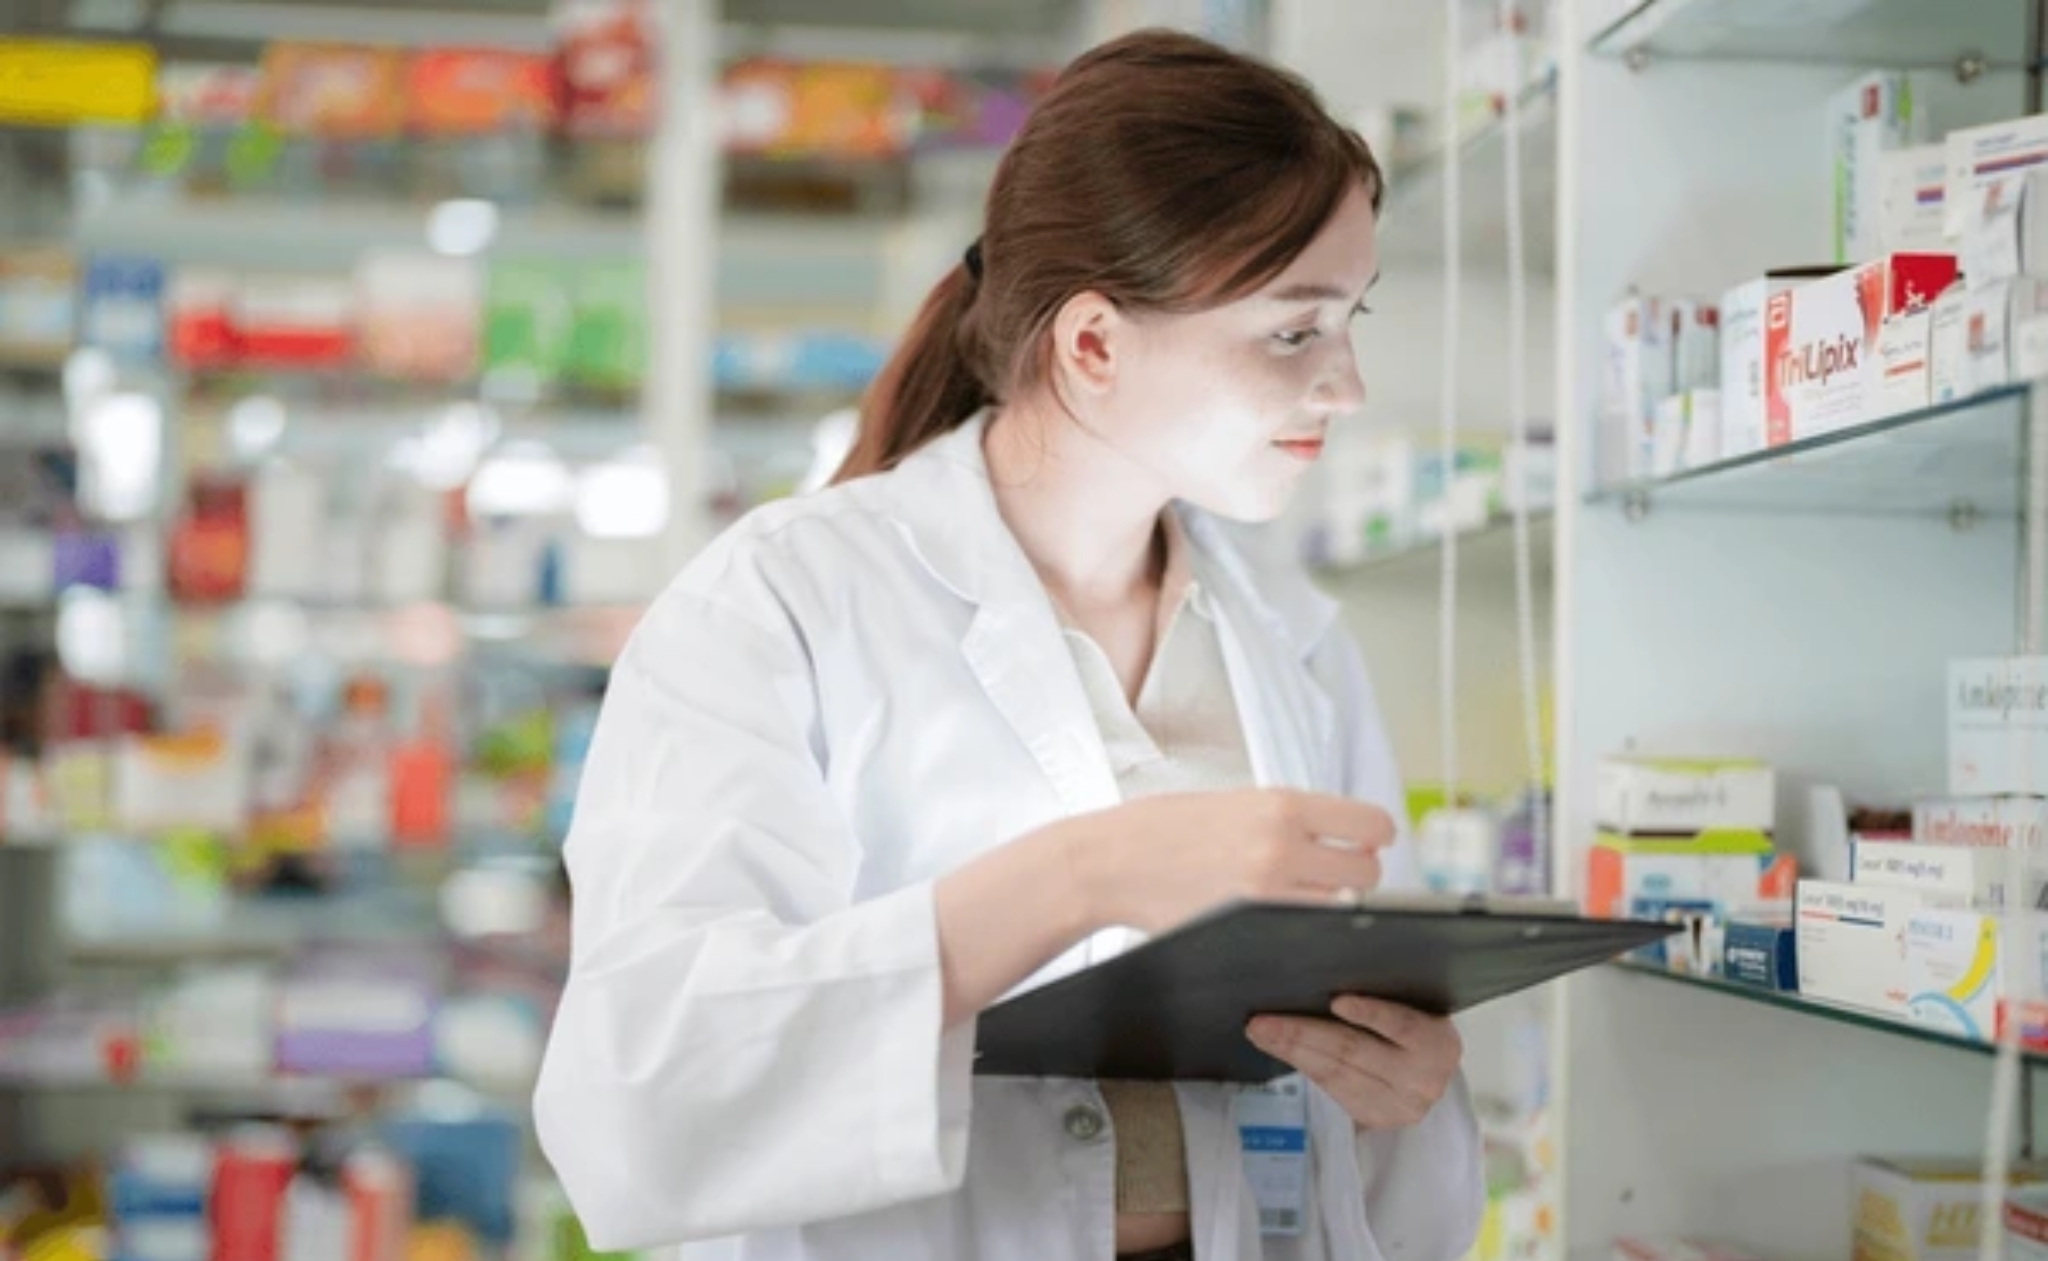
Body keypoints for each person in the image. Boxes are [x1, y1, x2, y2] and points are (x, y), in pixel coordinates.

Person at [533, 27, 1484, 1261]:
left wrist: (1399, 1090)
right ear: (1090, 345)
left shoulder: (1286, 635)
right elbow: (644, 1094)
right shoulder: (781, 602)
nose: (1346, 385)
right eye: (1293, 332)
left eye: (1350, 319)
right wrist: (1078, 877)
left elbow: (1374, 1139)